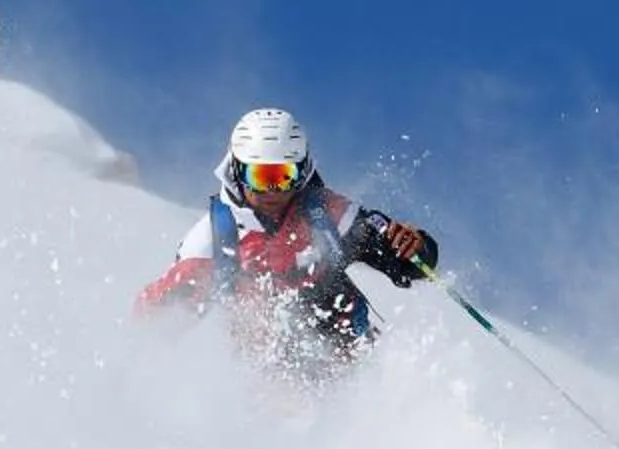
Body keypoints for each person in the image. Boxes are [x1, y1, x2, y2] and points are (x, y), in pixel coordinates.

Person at [134, 107, 441, 370]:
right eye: (260, 176)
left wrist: (415, 248)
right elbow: (154, 324)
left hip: (351, 360)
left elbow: (410, 264)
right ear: (237, 173)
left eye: (282, 176)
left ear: (302, 171)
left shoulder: (326, 213)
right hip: (270, 376)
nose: (272, 191)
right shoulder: (212, 241)